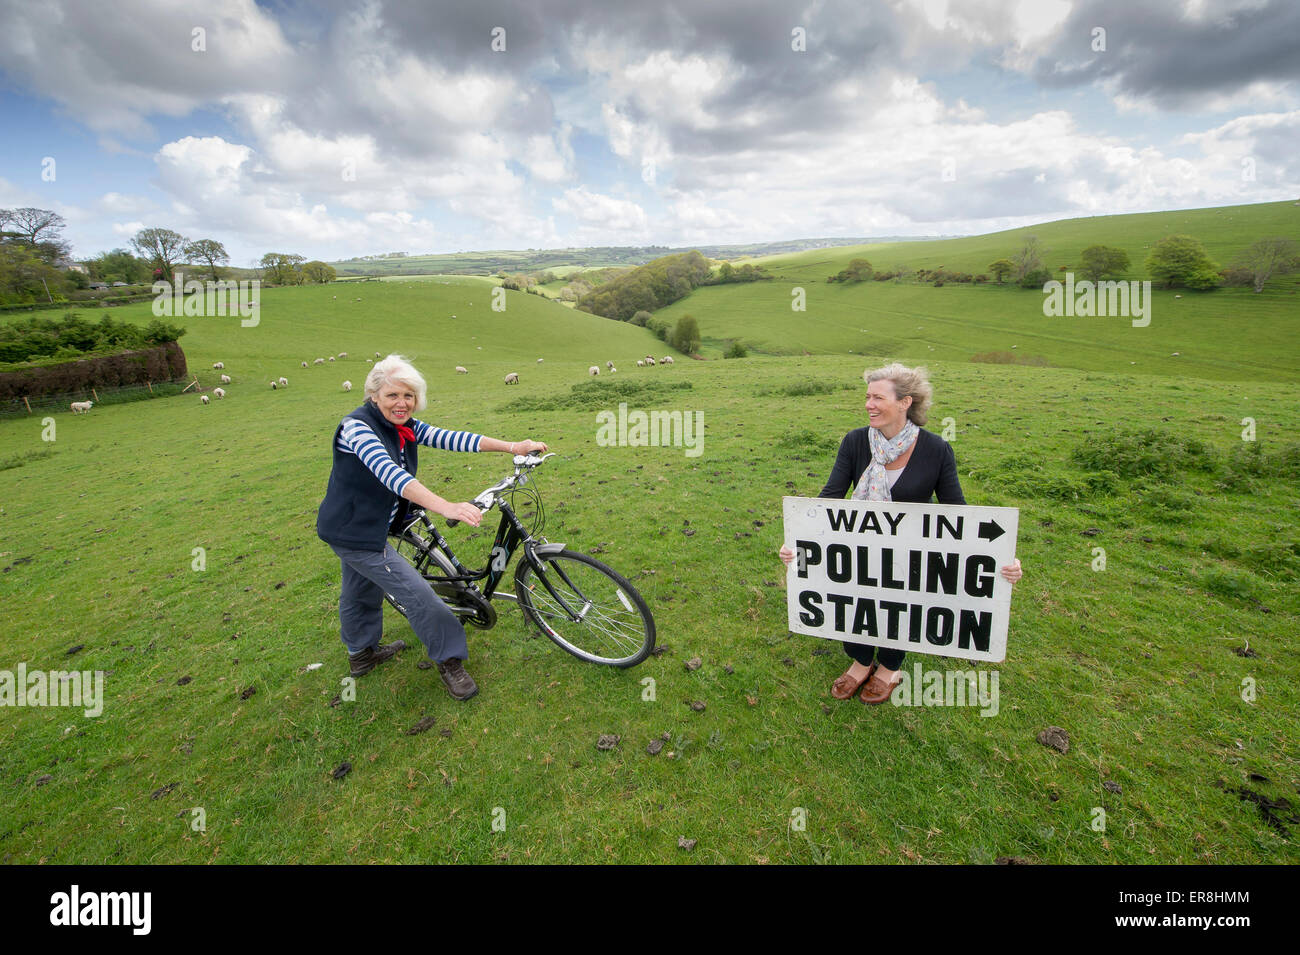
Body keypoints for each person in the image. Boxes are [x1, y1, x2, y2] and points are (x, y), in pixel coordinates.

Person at [779, 363, 1023, 704]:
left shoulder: (936, 450)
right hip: (859, 548)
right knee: (856, 602)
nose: (869, 405)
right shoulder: (854, 442)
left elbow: (958, 512)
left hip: (908, 556)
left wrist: (1000, 557)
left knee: (901, 605)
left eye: (878, 397)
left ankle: (890, 667)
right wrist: (799, 539)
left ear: (906, 402)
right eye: (867, 397)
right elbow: (830, 497)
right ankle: (861, 660)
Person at [316, 355, 547, 700]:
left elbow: (453, 437)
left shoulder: (404, 425)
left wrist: (513, 446)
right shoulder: (357, 428)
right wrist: (447, 506)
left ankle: (361, 655)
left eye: (409, 396)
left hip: (377, 522)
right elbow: (391, 475)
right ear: (374, 395)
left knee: (359, 588)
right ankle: (450, 660)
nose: (402, 403)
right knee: (418, 594)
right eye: (393, 395)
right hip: (355, 530)